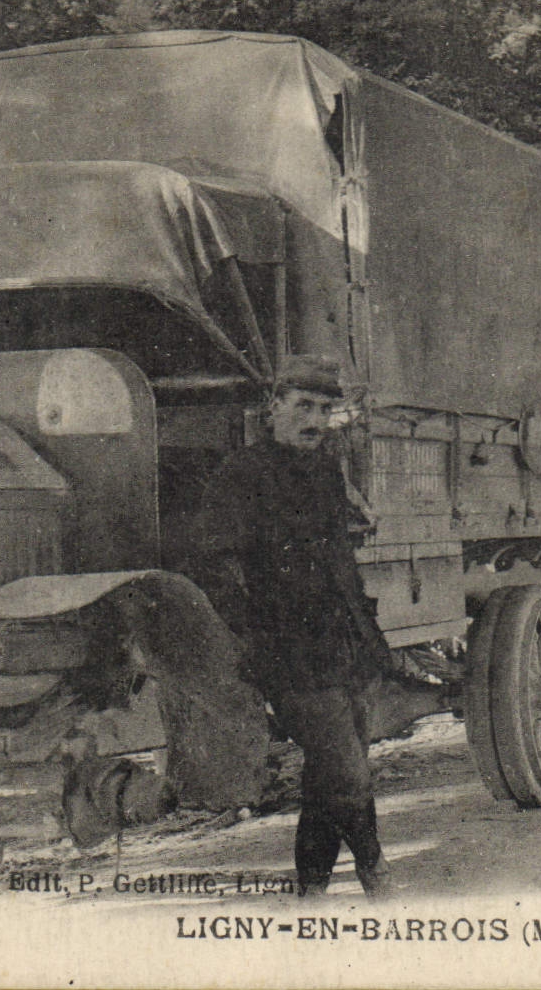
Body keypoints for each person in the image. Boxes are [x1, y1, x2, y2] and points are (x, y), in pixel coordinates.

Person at [191, 355, 393, 896]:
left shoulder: (325, 470)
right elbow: (213, 564)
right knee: (347, 771)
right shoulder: (241, 475)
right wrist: (253, 632)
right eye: (303, 406)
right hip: (289, 652)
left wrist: (367, 635)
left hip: (344, 643)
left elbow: (340, 561)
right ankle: (377, 874)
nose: (315, 421)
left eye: (325, 410)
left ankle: (312, 891)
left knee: (328, 776)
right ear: (274, 406)